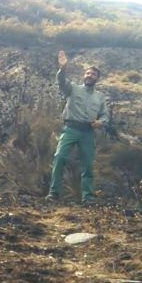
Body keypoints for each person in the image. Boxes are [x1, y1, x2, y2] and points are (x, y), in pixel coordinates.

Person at [46, 50, 109, 204]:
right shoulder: (73, 88)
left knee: (87, 164)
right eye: (88, 73)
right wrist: (62, 69)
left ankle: (87, 197)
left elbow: (105, 116)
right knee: (59, 158)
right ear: (84, 75)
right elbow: (61, 82)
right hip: (71, 129)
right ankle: (54, 193)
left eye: (93, 74)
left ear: (97, 78)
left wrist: (100, 122)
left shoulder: (100, 97)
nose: (90, 76)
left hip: (87, 133)